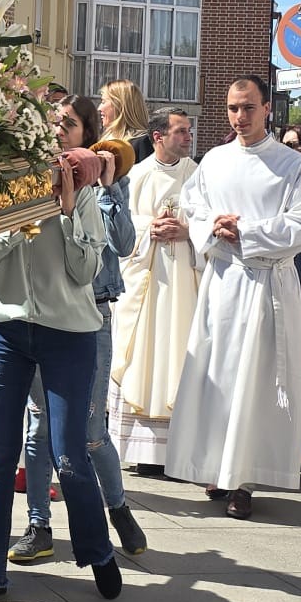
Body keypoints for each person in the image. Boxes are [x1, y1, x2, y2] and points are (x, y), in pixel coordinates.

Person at [0, 149, 122, 602]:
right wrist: (19, 216)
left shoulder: (81, 189)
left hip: (69, 332)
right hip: (4, 330)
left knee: (69, 451)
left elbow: (86, 269)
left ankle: (97, 549)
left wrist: (66, 213)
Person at [10, 94, 147, 565]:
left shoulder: (107, 179)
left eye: (68, 124)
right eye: (53, 123)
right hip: (46, 316)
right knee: (39, 424)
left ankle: (118, 506)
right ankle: (38, 525)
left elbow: (125, 242)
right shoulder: (36, 174)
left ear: (88, 135)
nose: (58, 131)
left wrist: (105, 187)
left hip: (95, 312)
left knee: (90, 430)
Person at [167, 76, 301, 518]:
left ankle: (242, 479)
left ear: (267, 109)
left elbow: (300, 224)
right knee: (218, 380)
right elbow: (194, 207)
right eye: (231, 109)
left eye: (248, 108)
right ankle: (213, 468)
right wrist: (214, 227)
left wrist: (244, 230)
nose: (239, 117)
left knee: (253, 386)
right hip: (223, 283)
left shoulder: (291, 165)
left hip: (267, 286)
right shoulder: (215, 160)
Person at [108, 110, 199, 476]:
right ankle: (141, 450)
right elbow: (121, 229)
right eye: (180, 132)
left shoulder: (198, 176)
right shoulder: (139, 175)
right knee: (143, 358)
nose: (188, 137)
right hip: (145, 286)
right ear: (158, 136)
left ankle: (179, 449)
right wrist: (150, 228)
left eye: (189, 131)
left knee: (179, 353)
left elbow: (209, 221)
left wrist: (188, 230)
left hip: (184, 284)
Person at [99, 80, 153, 163]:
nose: (99, 108)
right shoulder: (103, 139)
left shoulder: (142, 142)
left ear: (120, 105)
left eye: (103, 102)